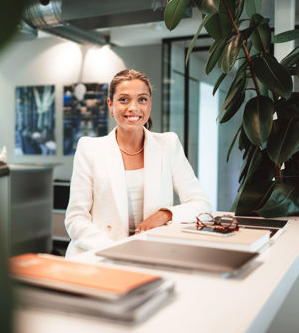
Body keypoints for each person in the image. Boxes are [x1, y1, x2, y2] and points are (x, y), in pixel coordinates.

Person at [64, 69, 212, 258]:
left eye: (142, 99)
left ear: (150, 104)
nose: (133, 107)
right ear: (110, 105)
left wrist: (164, 214)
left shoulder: (168, 145)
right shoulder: (89, 148)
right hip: (97, 254)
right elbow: (75, 219)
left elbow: (202, 205)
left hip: (150, 254)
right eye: (124, 99)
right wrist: (115, 250)